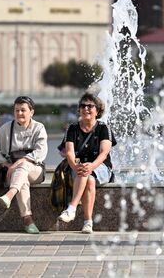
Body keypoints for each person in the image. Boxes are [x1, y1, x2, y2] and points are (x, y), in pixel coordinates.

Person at [58, 92, 116, 234]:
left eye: (90, 106)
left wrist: (92, 166)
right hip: (78, 168)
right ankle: (88, 223)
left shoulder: (104, 128)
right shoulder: (72, 128)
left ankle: (71, 208)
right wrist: (75, 166)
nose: (86, 109)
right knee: (89, 179)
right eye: (83, 106)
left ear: (97, 111)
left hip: (101, 167)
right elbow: (69, 152)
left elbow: (104, 153)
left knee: (87, 172)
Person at [0, 96, 48, 234]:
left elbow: (41, 151)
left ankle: (9, 194)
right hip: (11, 171)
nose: (19, 113)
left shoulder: (39, 128)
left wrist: (22, 161)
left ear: (31, 112)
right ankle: (28, 221)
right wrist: (5, 163)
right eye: (17, 110)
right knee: (22, 180)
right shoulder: (5, 128)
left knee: (22, 167)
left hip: (35, 169)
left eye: (23, 110)